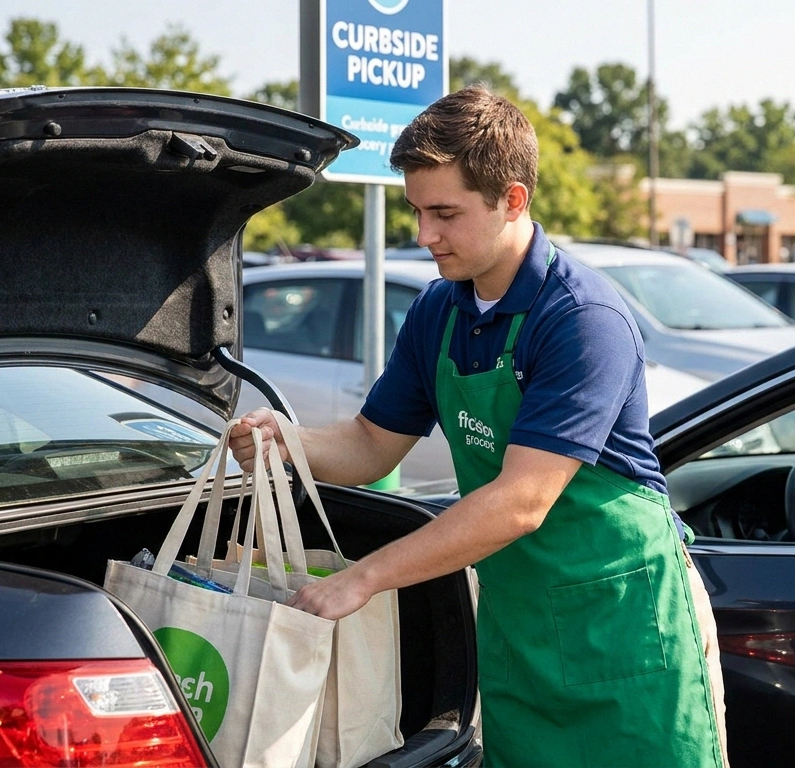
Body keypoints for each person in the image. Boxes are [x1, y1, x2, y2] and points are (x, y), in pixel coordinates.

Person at [229, 86, 725, 768]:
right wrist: (289, 443)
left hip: (630, 636)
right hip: (520, 633)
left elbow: (522, 501)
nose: (425, 235)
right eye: (416, 211)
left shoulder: (582, 318)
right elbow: (371, 445)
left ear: (512, 200)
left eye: (445, 214)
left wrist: (365, 577)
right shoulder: (438, 311)